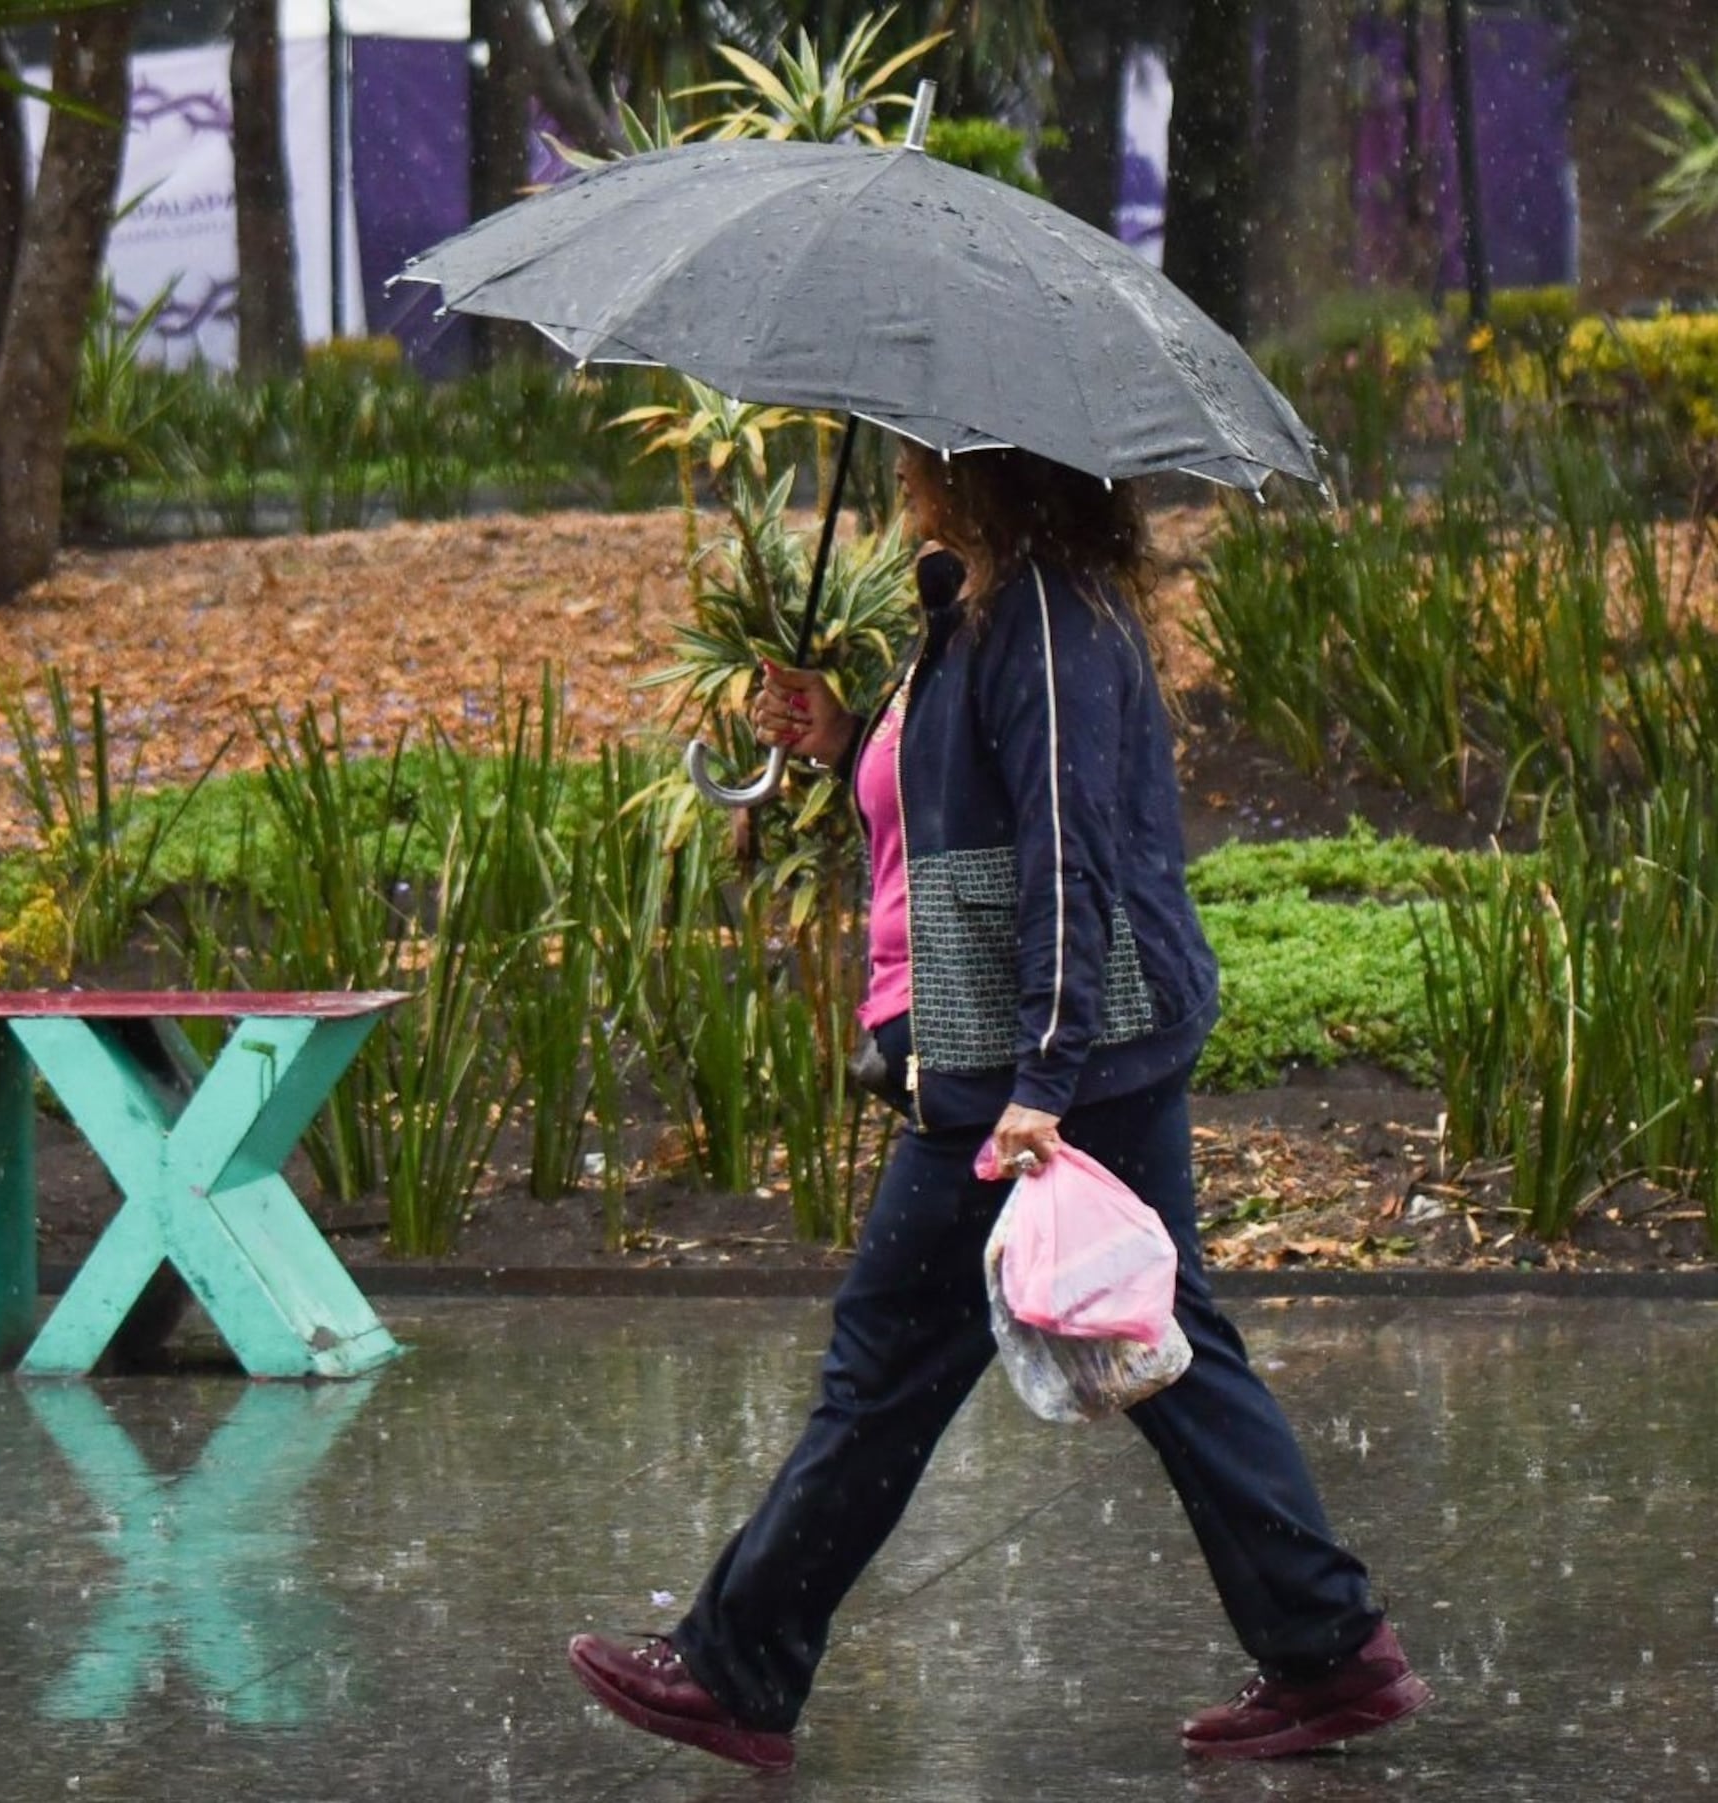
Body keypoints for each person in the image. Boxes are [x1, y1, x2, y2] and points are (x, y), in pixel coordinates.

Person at [567, 443, 1431, 1771]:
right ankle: (1330, 1651)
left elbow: (1068, 852)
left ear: (983, 472)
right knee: (1162, 1349)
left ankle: (739, 1667)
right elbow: (958, 803)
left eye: (922, 459)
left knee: (887, 1369)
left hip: (1032, 1065)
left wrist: (1041, 1082)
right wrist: (843, 737)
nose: (903, 475)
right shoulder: (983, 604)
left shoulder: (1043, 617)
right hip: (1031, 1052)